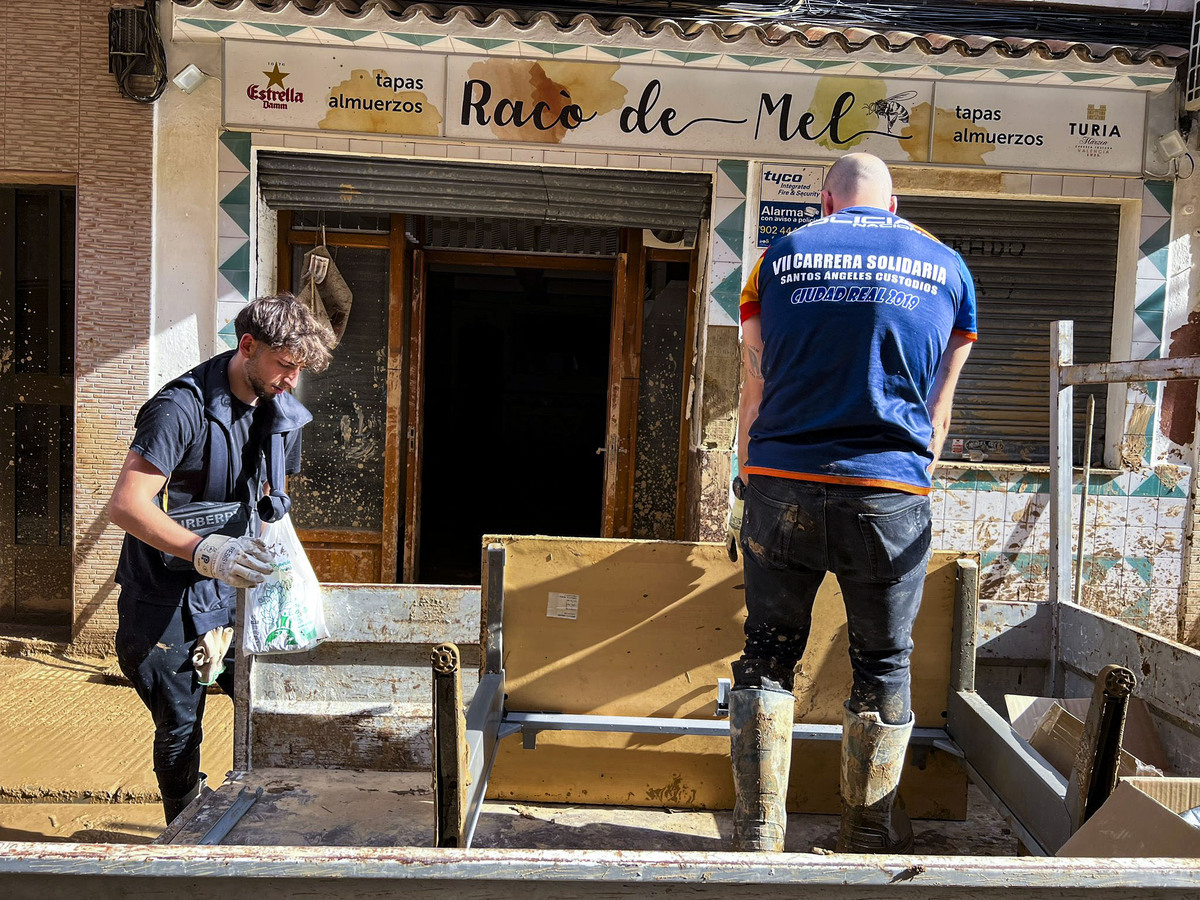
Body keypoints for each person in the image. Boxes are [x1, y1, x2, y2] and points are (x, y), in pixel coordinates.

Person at [727, 153, 977, 853]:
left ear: (826, 204)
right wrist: (908, 481)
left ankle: (757, 829)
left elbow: (754, 389)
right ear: (893, 206)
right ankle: (865, 832)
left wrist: (747, 482)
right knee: (883, 662)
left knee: (768, 653)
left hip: (782, 480)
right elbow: (940, 411)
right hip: (890, 490)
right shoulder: (947, 267)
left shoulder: (778, 258)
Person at [109, 293, 334, 823]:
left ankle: (267, 818)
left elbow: (271, 506)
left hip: (235, 594)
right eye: (284, 365)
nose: (290, 381)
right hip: (164, 602)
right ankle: (184, 834)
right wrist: (204, 549)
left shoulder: (282, 414)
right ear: (248, 346)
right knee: (182, 727)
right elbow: (127, 504)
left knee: (273, 700)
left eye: (299, 370)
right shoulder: (178, 409)